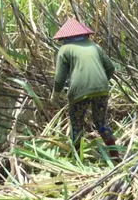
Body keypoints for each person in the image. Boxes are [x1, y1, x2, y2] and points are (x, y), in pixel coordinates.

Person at [50, 18, 119, 159]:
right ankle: (115, 155)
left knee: (77, 125)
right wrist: (101, 83)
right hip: (102, 90)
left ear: (64, 38)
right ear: (85, 35)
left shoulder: (64, 49)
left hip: (79, 92)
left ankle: (78, 160)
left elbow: (59, 78)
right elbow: (111, 68)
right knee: (101, 123)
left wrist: (55, 96)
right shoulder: (94, 46)